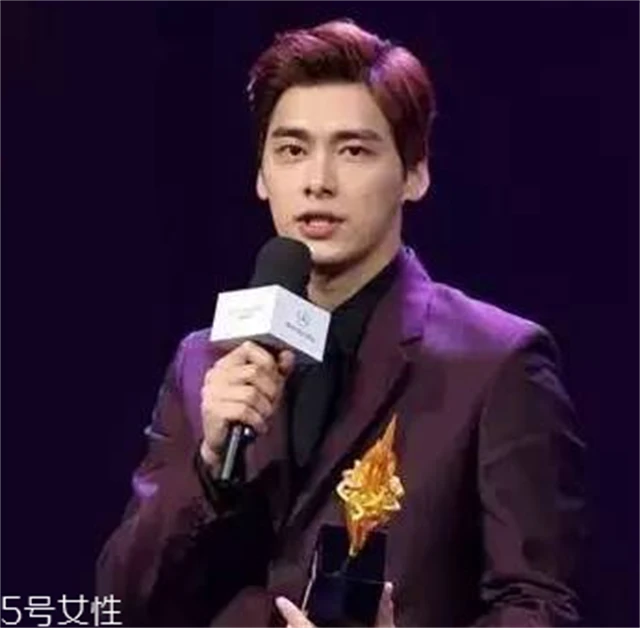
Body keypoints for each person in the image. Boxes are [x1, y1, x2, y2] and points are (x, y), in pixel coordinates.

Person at [95, 18, 586, 628]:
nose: (317, 182)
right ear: (261, 175)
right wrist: (209, 469)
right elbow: (122, 602)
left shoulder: (495, 363)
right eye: (292, 150)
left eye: (353, 150)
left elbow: (538, 606)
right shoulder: (206, 361)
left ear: (414, 173)